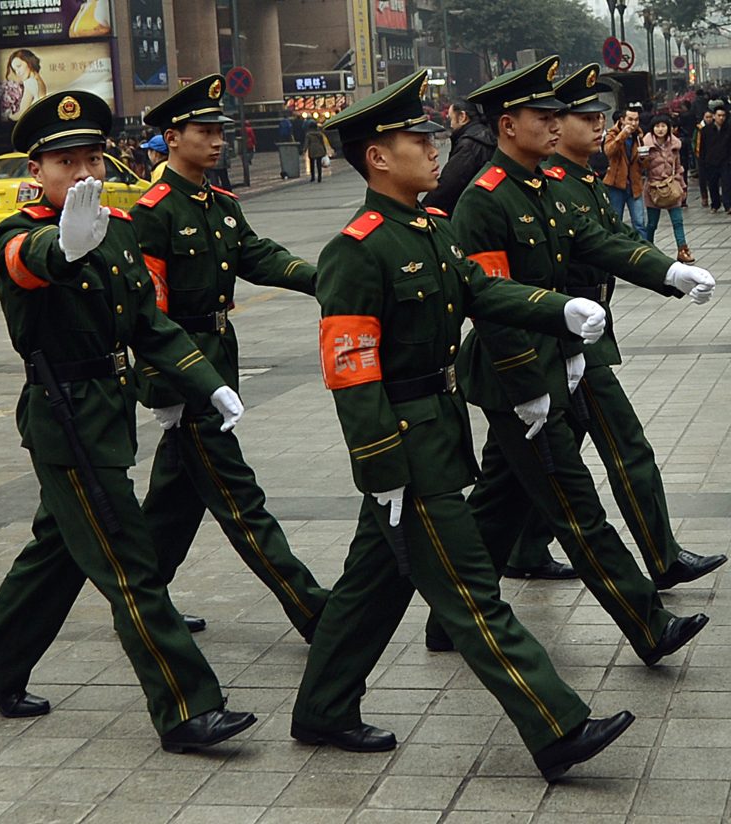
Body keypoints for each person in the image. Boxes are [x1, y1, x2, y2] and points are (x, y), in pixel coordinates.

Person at [292, 68, 634, 784]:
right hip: (406, 447)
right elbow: (350, 372)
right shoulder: (358, 250)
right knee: (474, 595)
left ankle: (324, 707)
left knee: (372, 583)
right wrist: (380, 464)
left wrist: (558, 309)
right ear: (378, 157)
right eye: (417, 138)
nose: (433, 145)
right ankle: (557, 724)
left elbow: (484, 287)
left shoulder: (430, 229)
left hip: (437, 430)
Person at [0, 89, 257, 754]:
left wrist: (209, 385)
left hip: (107, 416)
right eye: (67, 163)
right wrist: (62, 248)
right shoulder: (23, 231)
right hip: (66, 423)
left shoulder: (116, 231)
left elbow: (150, 325)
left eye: (93, 158)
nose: (85, 173)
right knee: (130, 564)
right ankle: (187, 708)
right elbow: (28, 261)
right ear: (38, 171)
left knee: (56, 552)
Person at [422, 56, 713, 666]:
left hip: (555, 364)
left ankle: (450, 615)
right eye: (543, 114)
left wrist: (670, 270)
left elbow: (598, 243)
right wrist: (530, 383)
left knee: (502, 499)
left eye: (560, 114)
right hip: (516, 377)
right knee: (577, 511)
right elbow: (495, 308)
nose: (555, 124)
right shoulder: (486, 201)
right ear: (507, 124)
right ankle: (647, 622)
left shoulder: (541, 188)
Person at [501, 66, 724, 593]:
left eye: (598, 115)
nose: (595, 125)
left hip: (580, 341)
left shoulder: (584, 181)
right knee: (626, 448)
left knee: (522, 468)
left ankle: (521, 551)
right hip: (565, 344)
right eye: (583, 117)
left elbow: (615, 243)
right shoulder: (554, 186)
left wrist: (669, 271)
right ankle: (661, 557)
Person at [132, 75, 329, 638]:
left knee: (175, 501)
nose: (219, 140)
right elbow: (149, 312)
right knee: (241, 501)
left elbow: (258, 257)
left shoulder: (218, 203)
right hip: (187, 370)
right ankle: (313, 608)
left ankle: (141, 598)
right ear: (172, 137)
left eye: (221, 130)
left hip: (218, 356)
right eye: (205, 131)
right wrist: (163, 388)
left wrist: (326, 280)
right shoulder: (153, 210)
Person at [422, 98, 495, 214]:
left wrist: (423, 209)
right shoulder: (484, 134)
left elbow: (448, 184)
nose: (450, 124)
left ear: (462, 117)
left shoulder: (469, 145)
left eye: (451, 119)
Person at [644, 114, 693, 262]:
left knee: (678, 221)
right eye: (657, 126)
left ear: (669, 128)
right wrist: (643, 159)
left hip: (672, 186)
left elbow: (678, 167)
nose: (660, 129)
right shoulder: (645, 145)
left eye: (663, 126)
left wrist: (683, 187)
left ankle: (683, 250)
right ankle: (648, 250)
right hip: (653, 188)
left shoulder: (674, 145)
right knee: (652, 223)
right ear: (652, 129)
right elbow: (641, 167)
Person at [602, 106, 648, 238]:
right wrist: (622, 135)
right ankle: (618, 250)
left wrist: (644, 159)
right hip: (616, 185)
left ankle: (644, 251)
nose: (633, 123)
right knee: (616, 222)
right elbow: (609, 151)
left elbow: (643, 165)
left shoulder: (638, 137)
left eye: (636, 120)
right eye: (630, 119)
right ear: (622, 120)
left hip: (634, 185)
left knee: (639, 223)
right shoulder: (612, 134)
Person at [700, 107, 730, 213]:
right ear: (714, 116)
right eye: (719, 115)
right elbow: (702, 148)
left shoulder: (728, 129)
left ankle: (728, 205)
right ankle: (715, 204)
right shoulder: (706, 130)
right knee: (712, 184)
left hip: (725, 161)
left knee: (727, 183)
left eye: (723, 116)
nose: (721, 118)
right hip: (710, 161)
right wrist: (702, 162)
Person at [4, 49, 46, 120]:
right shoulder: (38, 79)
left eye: (19, 66)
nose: (18, 72)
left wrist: (7, 115)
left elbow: (21, 115)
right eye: (15, 70)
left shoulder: (30, 83)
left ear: (29, 62)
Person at [694, 109, 715, 207]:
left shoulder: (715, 128)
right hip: (701, 156)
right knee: (702, 179)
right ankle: (704, 197)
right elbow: (694, 141)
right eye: (707, 117)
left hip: (713, 156)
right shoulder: (699, 128)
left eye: (710, 117)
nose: (709, 119)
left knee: (713, 178)